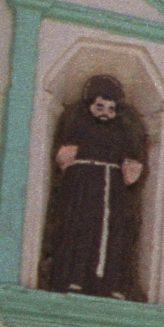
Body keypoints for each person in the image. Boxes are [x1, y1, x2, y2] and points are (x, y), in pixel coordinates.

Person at [37, 74, 148, 299]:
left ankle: (111, 283)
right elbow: (64, 157)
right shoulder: (79, 128)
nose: (105, 112)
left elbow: (131, 164)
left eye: (110, 107)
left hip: (114, 192)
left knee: (115, 234)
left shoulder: (121, 134)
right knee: (80, 229)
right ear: (90, 106)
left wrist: (130, 169)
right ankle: (74, 278)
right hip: (83, 187)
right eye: (99, 106)